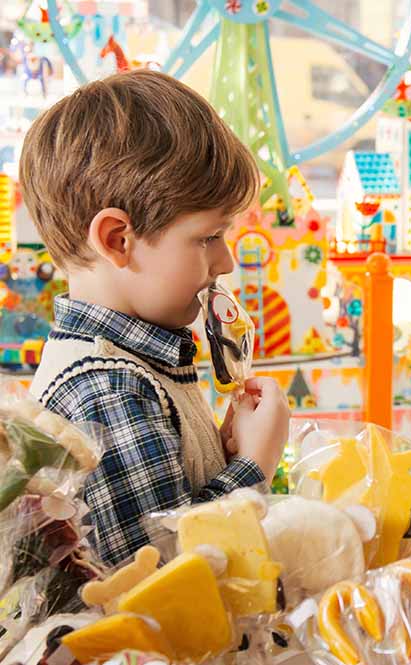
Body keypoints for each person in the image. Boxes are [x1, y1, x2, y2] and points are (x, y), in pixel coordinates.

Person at [18, 70, 291, 564]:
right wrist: (254, 465)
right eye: (209, 237)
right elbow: (164, 574)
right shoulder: (107, 389)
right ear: (118, 239)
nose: (226, 260)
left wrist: (222, 460)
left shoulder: (137, 366)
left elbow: (175, 510)